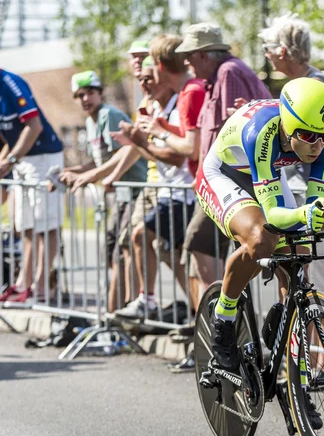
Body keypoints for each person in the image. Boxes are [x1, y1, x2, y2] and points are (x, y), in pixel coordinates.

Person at [196, 77, 324, 380]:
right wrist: (306, 214)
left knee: (300, 251)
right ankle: (224, 319)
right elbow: (274, 215)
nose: (318, 145)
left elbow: (316, 203)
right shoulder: (263, 132)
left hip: (266, 172)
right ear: (287, 125)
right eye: (308, 136)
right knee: (262, 239)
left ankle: (288, 340)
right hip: (224, 173)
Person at [168, 23, 271, 373]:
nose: (188, 65)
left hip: (235, 176)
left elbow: (243, 125)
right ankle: (227, 330)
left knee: (208, 246)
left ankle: (227, 330)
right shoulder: (220, 76)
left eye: (190, 57)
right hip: (224, 177)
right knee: (233, 250)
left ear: (202, 53)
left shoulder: (229, 72)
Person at [258, 12, 324, 296]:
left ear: (283, 51)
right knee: (297, 273)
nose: (267, 57)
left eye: (269, 50)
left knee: (320, 277)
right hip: (298, 187)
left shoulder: (318, 84)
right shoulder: (292, 90)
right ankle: (303, 339)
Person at [114, 34, 205, 319]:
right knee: (172, 255)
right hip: (174, 191)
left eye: (149, 75)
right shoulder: (163, 106)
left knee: (148, 239)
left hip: (184, 192)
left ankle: (160, 304)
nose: (145, 84)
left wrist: (145, 139)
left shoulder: (187, 95)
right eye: (140, 80)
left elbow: (184, 153)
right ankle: (195, 315)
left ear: (161, 70)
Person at [61, 71, 147, 312]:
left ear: (100, 93)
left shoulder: (109, 115)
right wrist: (73, 171)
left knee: (124, 250)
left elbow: (125, 152)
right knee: (111, 250)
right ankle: (120, 307)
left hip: (135, 188)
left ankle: (130, 306)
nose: (85, 98)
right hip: (118, 194)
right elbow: (98, 161)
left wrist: (106, 176)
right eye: (79, 95)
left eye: (90, 92)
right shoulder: (90, 121)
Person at [0, 68, 64, 305]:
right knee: (25, 224)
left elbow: (34, 126)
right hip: (24, 160)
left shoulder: (9, 82)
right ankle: (22, 283)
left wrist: (10, 160)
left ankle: (41, 285)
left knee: (45, 223)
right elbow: (8, 137)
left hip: (44, 156)